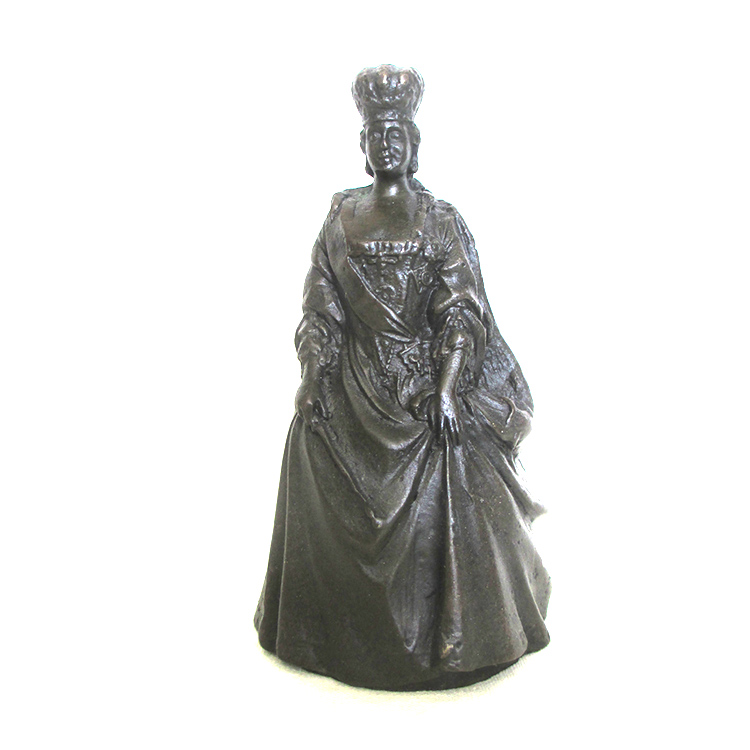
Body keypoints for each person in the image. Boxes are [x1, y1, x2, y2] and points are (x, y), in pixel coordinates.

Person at [254, 65, 551, 690]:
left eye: (397, 133)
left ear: (414, 144)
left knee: (457, 452)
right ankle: (322, 628)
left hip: (423, 384)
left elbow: (460, 310)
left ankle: (469, 628)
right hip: (353, 383)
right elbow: (321, 307)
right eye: (376, 134)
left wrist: (446, 388)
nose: (386, 143)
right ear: (362, 147)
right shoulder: (339, 218)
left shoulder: (440, 220)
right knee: (308, 439)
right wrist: (313, 373)